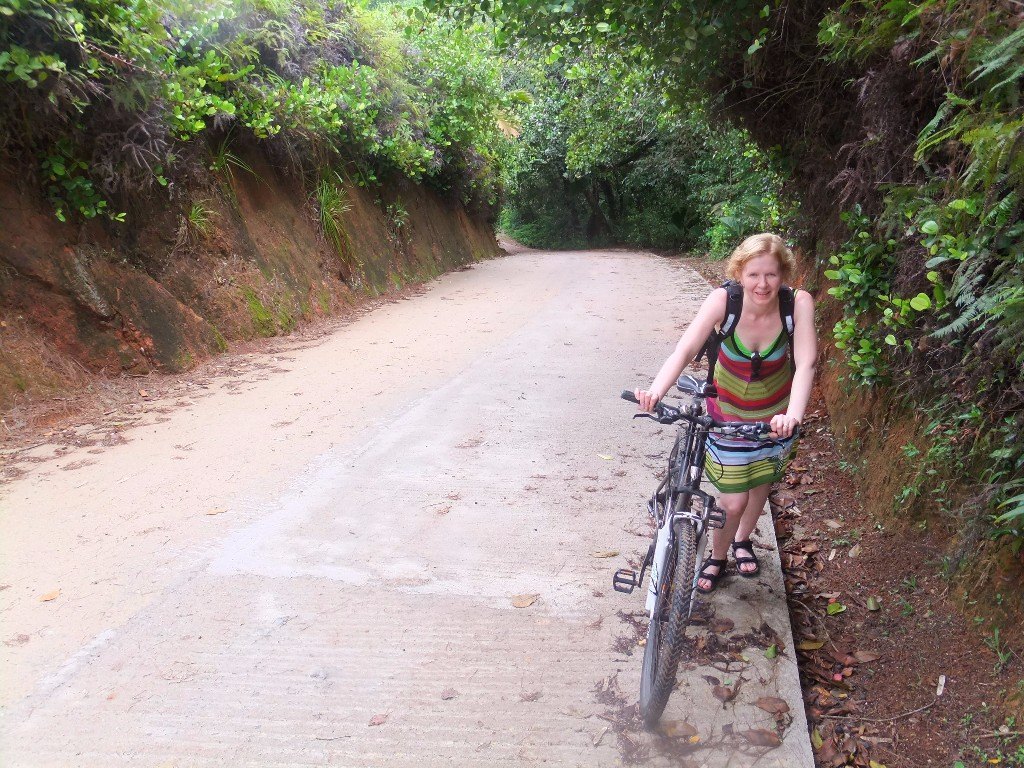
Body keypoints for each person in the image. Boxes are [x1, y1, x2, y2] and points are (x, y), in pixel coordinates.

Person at [634, 233, 817, 593]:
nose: (762, 284)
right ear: (739, 273)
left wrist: (792, 415)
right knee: (733, 500)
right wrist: (656, 390)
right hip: (726, 415)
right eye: (753, 275)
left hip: (775, 418)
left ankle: (743, 540)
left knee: (761, 483)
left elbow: (807, 363)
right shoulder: (724, 301)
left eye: (771, 275)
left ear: (783, 275)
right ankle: (718, 556)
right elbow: (684, 350)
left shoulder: (797, 304)